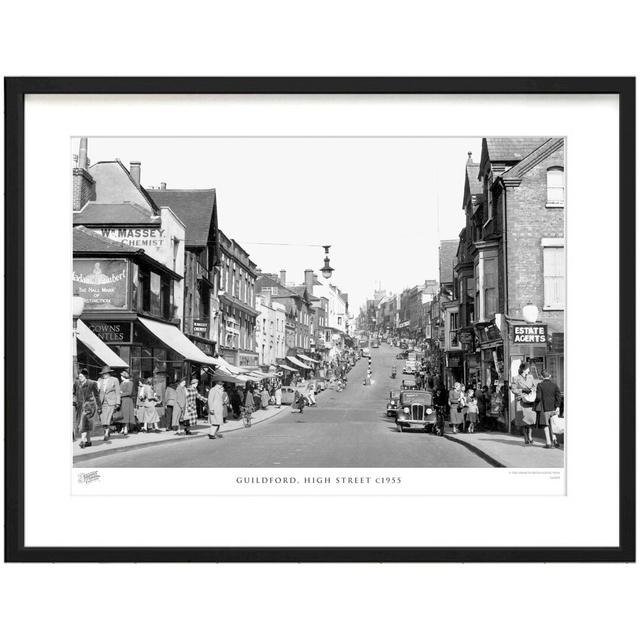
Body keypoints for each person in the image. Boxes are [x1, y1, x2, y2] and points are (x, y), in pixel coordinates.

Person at [511, 361, 538, 445]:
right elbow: (513, 389)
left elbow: (534, 386)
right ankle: (525, 437)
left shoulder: (530, 377)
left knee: (530, 420)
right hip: (521, 401)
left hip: (530, 400)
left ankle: (530, 436)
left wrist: (532, 390)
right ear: (523, 370)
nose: (529, 370)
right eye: (527, 368)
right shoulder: (516, 378)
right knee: (523, 420)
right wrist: (522, 390)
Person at [535, 369, 562, 448]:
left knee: (546, 425)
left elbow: (538, 397)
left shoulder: (540, 385)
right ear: (549, 376)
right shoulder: (554, 385)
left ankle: (548, 443)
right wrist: (557, 406)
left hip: (545, 409)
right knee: (553, 424)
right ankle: (555, 440)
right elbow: (559, 396)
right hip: (554, 408)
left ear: (541, 377)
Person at [73, 368, 101, 445]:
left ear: (85, 376)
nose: (80, 378)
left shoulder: (92, 383)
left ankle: (82, 441)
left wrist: (99, 407)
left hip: (89, 407)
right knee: (86, 424)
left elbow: (97, 396)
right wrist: (74, 401)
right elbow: (74, 393)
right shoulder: (76, 383)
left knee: (83, 423)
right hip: (80, 407)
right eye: (79, 376)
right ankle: (89, 441)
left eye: (81, 376)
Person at [97, 366, 120, 441]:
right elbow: (97, 391)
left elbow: (117, 392)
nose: (104, 375)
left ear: (109, 373)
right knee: (102, 418)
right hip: (102, 402)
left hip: (111, 402)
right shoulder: (99, 380)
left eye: (106, 373)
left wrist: (118, 402)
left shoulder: (114, 380)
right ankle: (106, 430)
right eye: (103, 374)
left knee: (108, 417)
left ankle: (106, 433)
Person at [116, 370, 135, 435]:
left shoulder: (130, 383)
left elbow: (129, 392)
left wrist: (121, 394)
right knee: (122, 415)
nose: (120, 377)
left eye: (121, 376)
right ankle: (123, 428)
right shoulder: (122, 383)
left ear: (124, 376)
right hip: (122, 400)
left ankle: (126, 428)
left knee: (126, 414)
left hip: (127, 400)